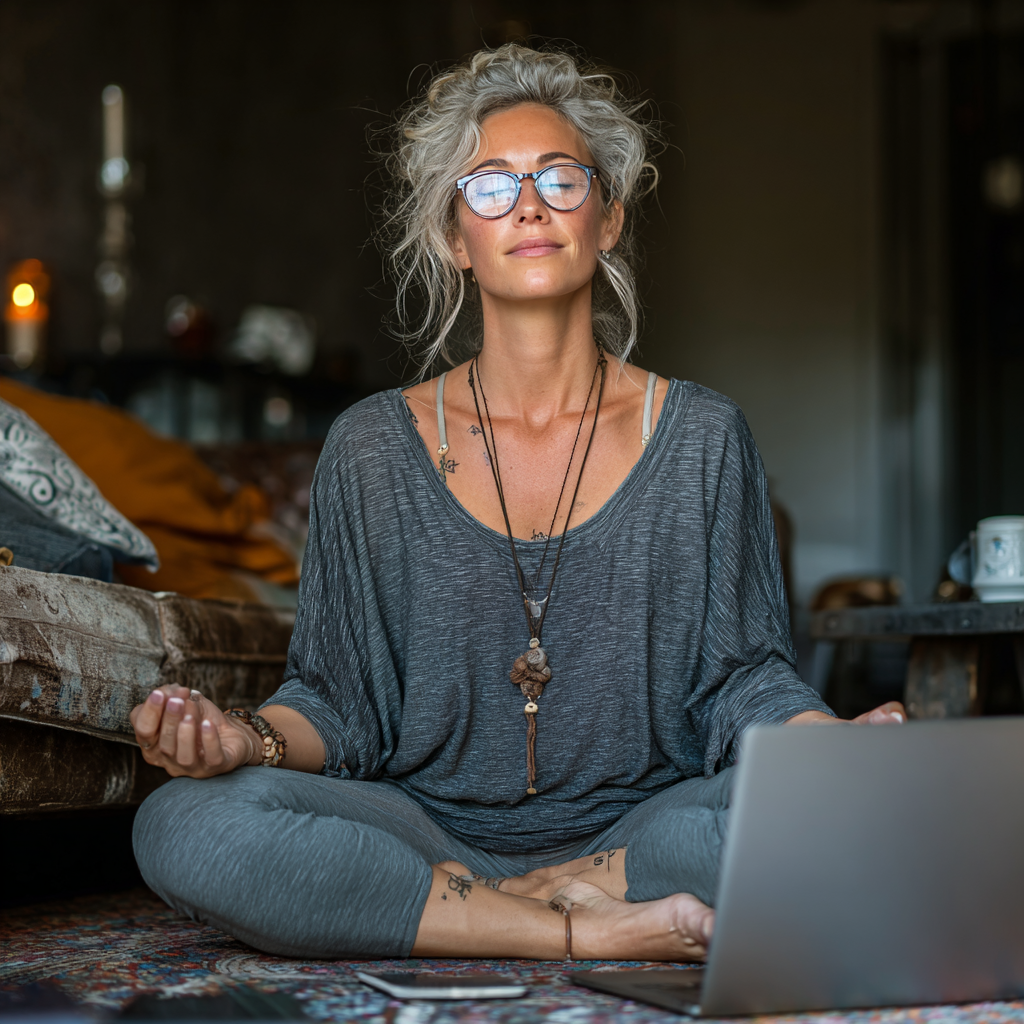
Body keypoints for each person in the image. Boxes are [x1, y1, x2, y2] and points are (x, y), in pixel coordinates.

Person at [131, 44, 904, 963]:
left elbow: (743, 681)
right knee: (183, 823)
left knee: (858, 811)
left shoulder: (702, 436)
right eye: (490, 185)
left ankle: (554, 899)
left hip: (642, 836)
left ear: (608, 218)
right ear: (455, 237)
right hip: (424, 834)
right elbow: (339, 709)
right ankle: (575, 929)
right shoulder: (372, 446)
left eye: (560, 180)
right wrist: (241, 740)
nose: (529, 204)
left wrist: (829, 746)